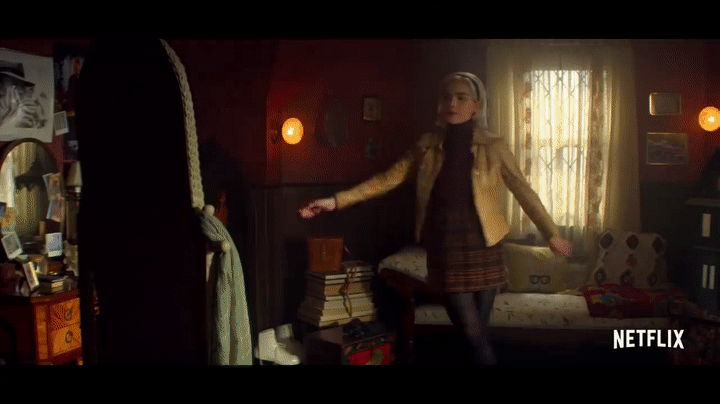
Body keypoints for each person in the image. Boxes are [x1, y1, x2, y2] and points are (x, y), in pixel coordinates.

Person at [299, 72, 572, 365]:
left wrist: (551, 233)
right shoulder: (427, 147)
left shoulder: (494, 146)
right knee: (471, 334)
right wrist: (335, 201)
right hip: (446, 246)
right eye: (447, 97)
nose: (452, 104)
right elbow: (386, 180)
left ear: (476, 106)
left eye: (461, 98)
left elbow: (523, 190)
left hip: (486, 244)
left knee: (476, 336)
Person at [0, 61, 46, 130]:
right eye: (14, 83)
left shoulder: (29, 108)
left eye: (22, 84)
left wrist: (39, 120)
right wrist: (11, 117)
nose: (21, 90)